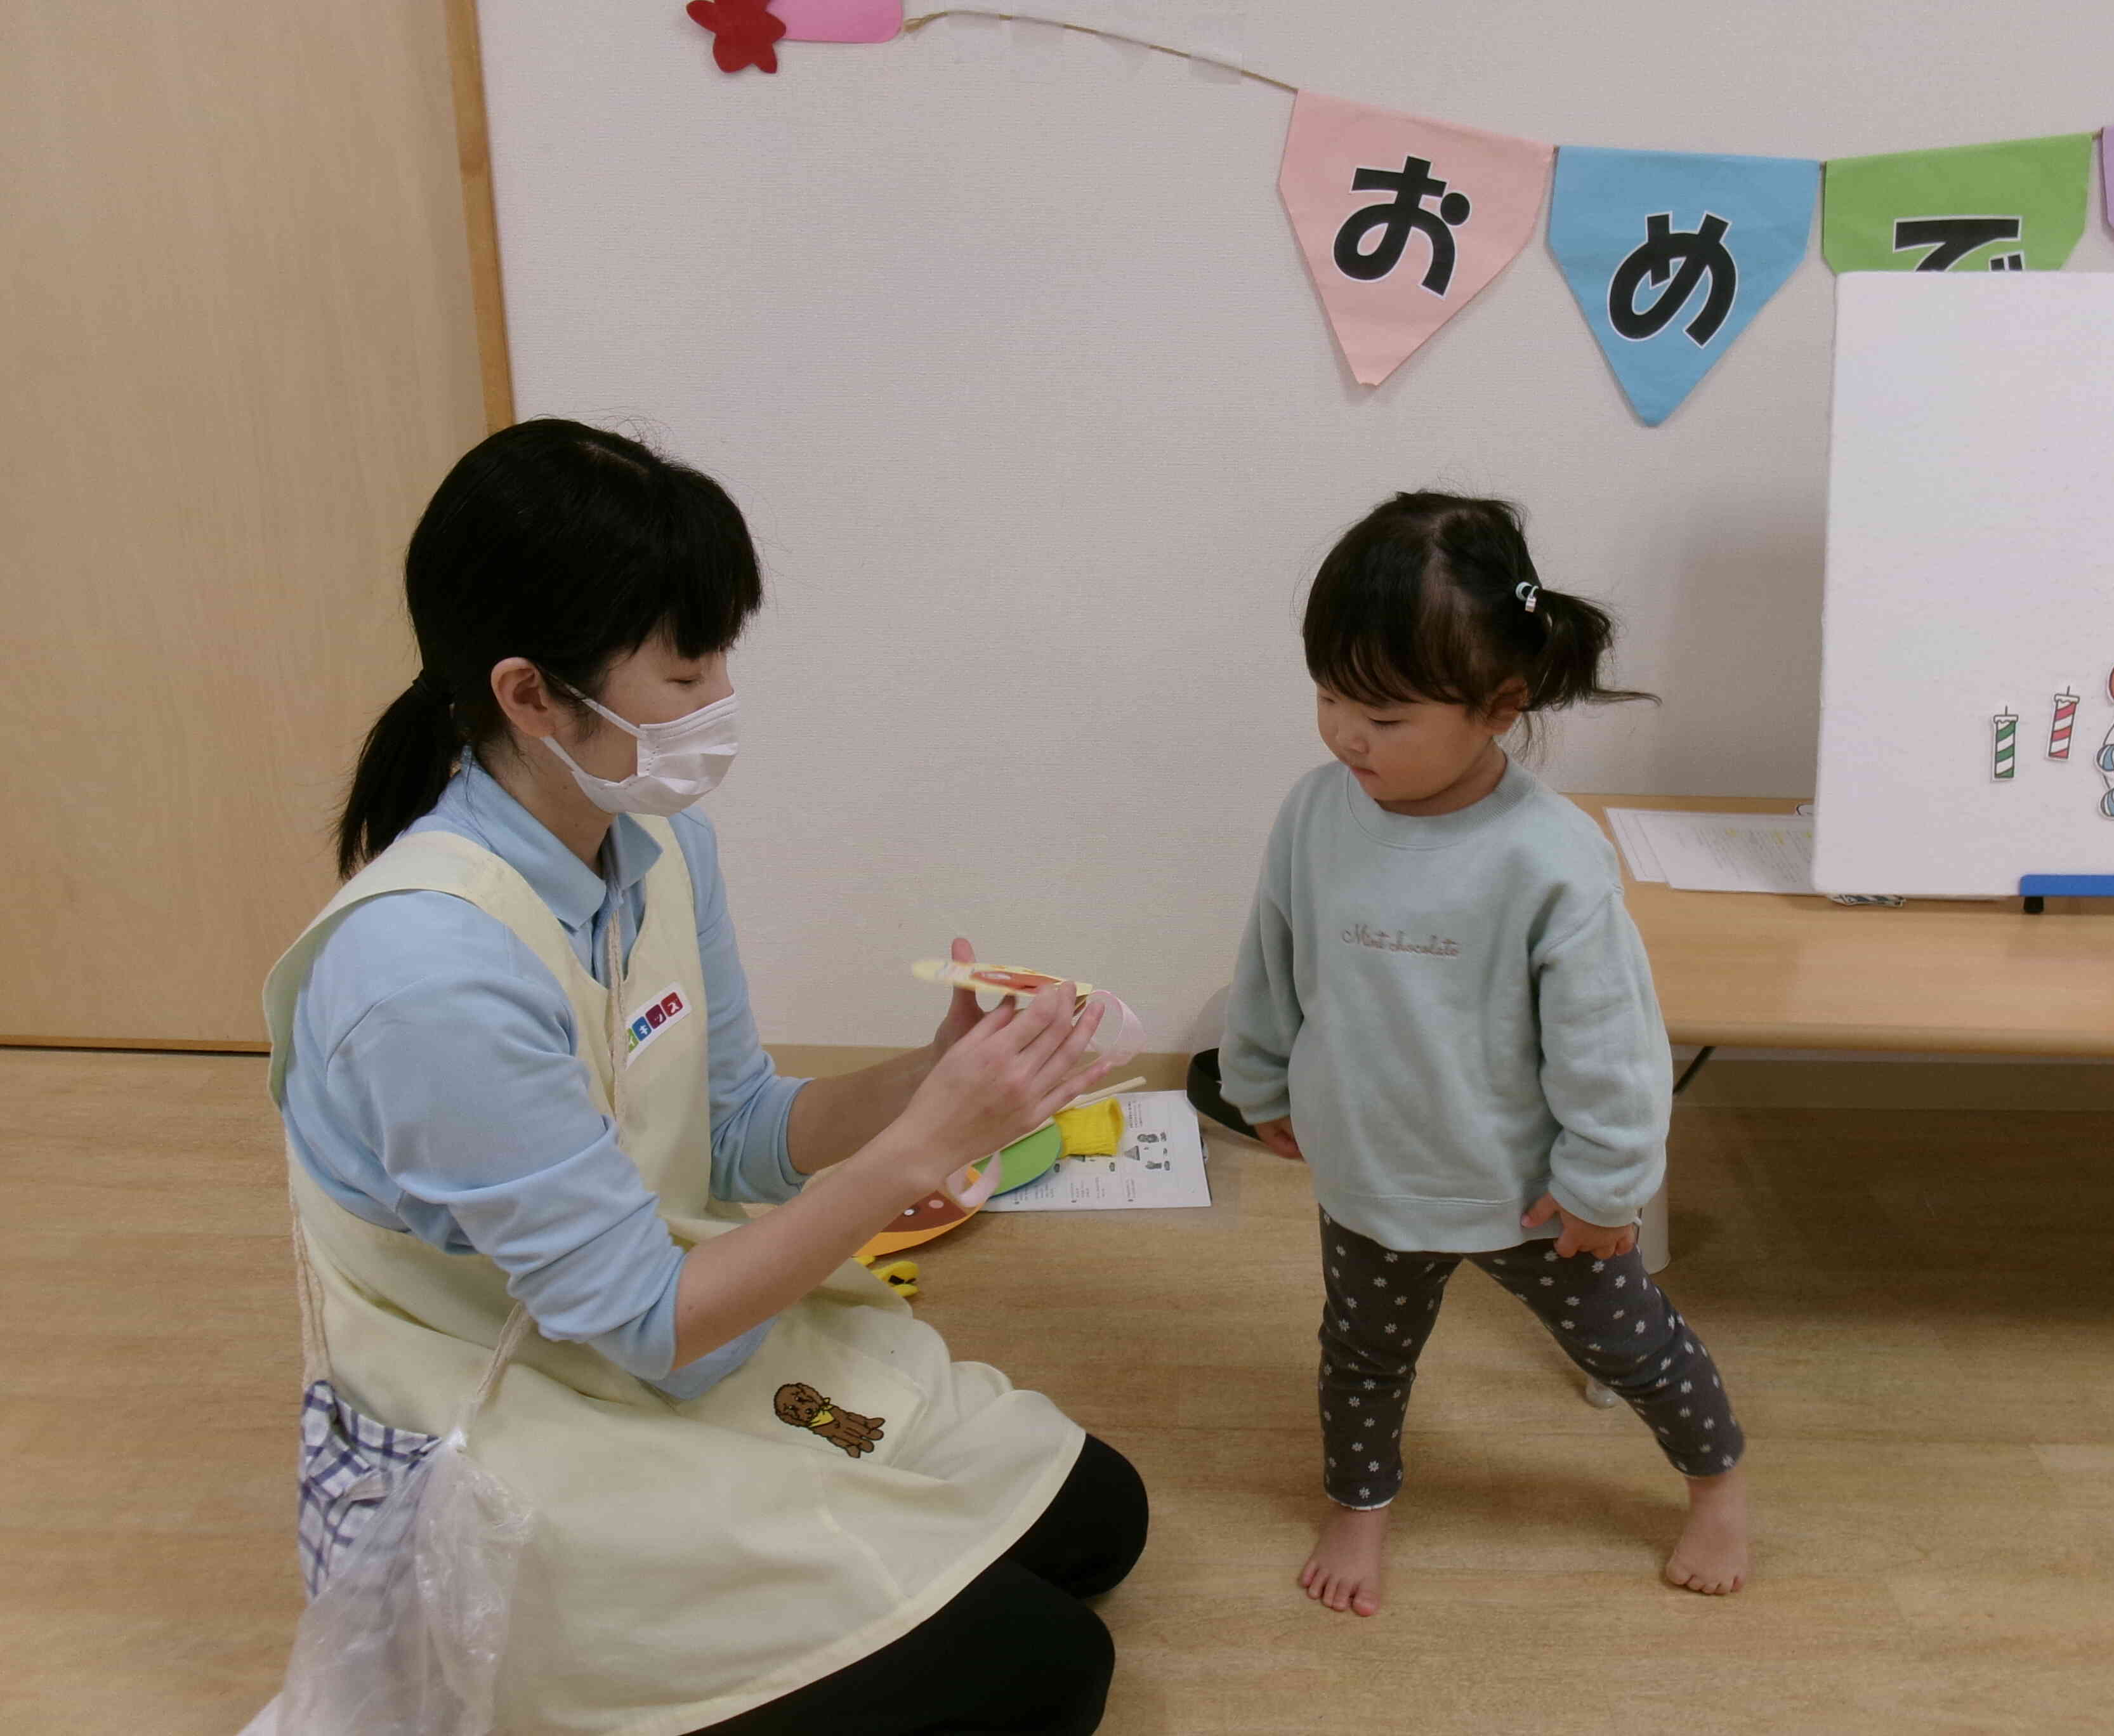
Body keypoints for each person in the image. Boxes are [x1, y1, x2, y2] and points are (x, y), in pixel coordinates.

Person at [265, 419, 1145, 1734]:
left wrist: (924, 1078)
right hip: (528, 1398)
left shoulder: (660, 851)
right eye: (687, 673)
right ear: (530, 694)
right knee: (1050, 1668)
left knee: (1099, 1519)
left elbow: (737, 1132)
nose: (721, 700)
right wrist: (919, 1154)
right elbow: (644, 1328)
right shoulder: (426, 973)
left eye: (721, 655)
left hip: (664, 1318)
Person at [1219, 491, 1749, 1617]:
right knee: (1360, 1361)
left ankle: (1715, 1482)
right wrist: (1260, 1082)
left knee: (1636, 1349)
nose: (1346, 735)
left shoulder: (1549, 857)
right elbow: (1271, 960)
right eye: (1327, 697)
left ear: (1500, 705)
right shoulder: (1316, 815)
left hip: (1534, 1202)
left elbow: (1613, 1048)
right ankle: (1362, 1506)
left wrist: (1605, 1188)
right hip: (1367, 1178)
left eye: (1387, 714)